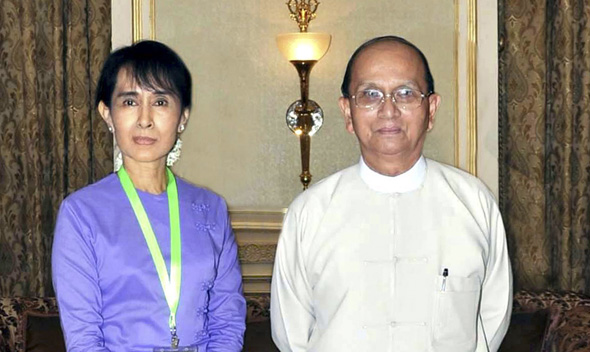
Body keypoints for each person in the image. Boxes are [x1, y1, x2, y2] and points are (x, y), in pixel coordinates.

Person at [270, 35, 512, 351]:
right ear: (347, 112)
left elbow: (492, 316)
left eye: (406, 93)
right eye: (370, 94)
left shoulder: (473, 202)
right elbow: (291, 333)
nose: (388, 110)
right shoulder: (310, 212)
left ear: (432, 108)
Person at [52, 40, 246, 352]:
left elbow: (227, 320)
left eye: (160, 102)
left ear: (182, 116)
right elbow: (84, 337)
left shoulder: (211, 209)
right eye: (129, 102)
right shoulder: (81, 213)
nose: (145, 119)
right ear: (107, 114)